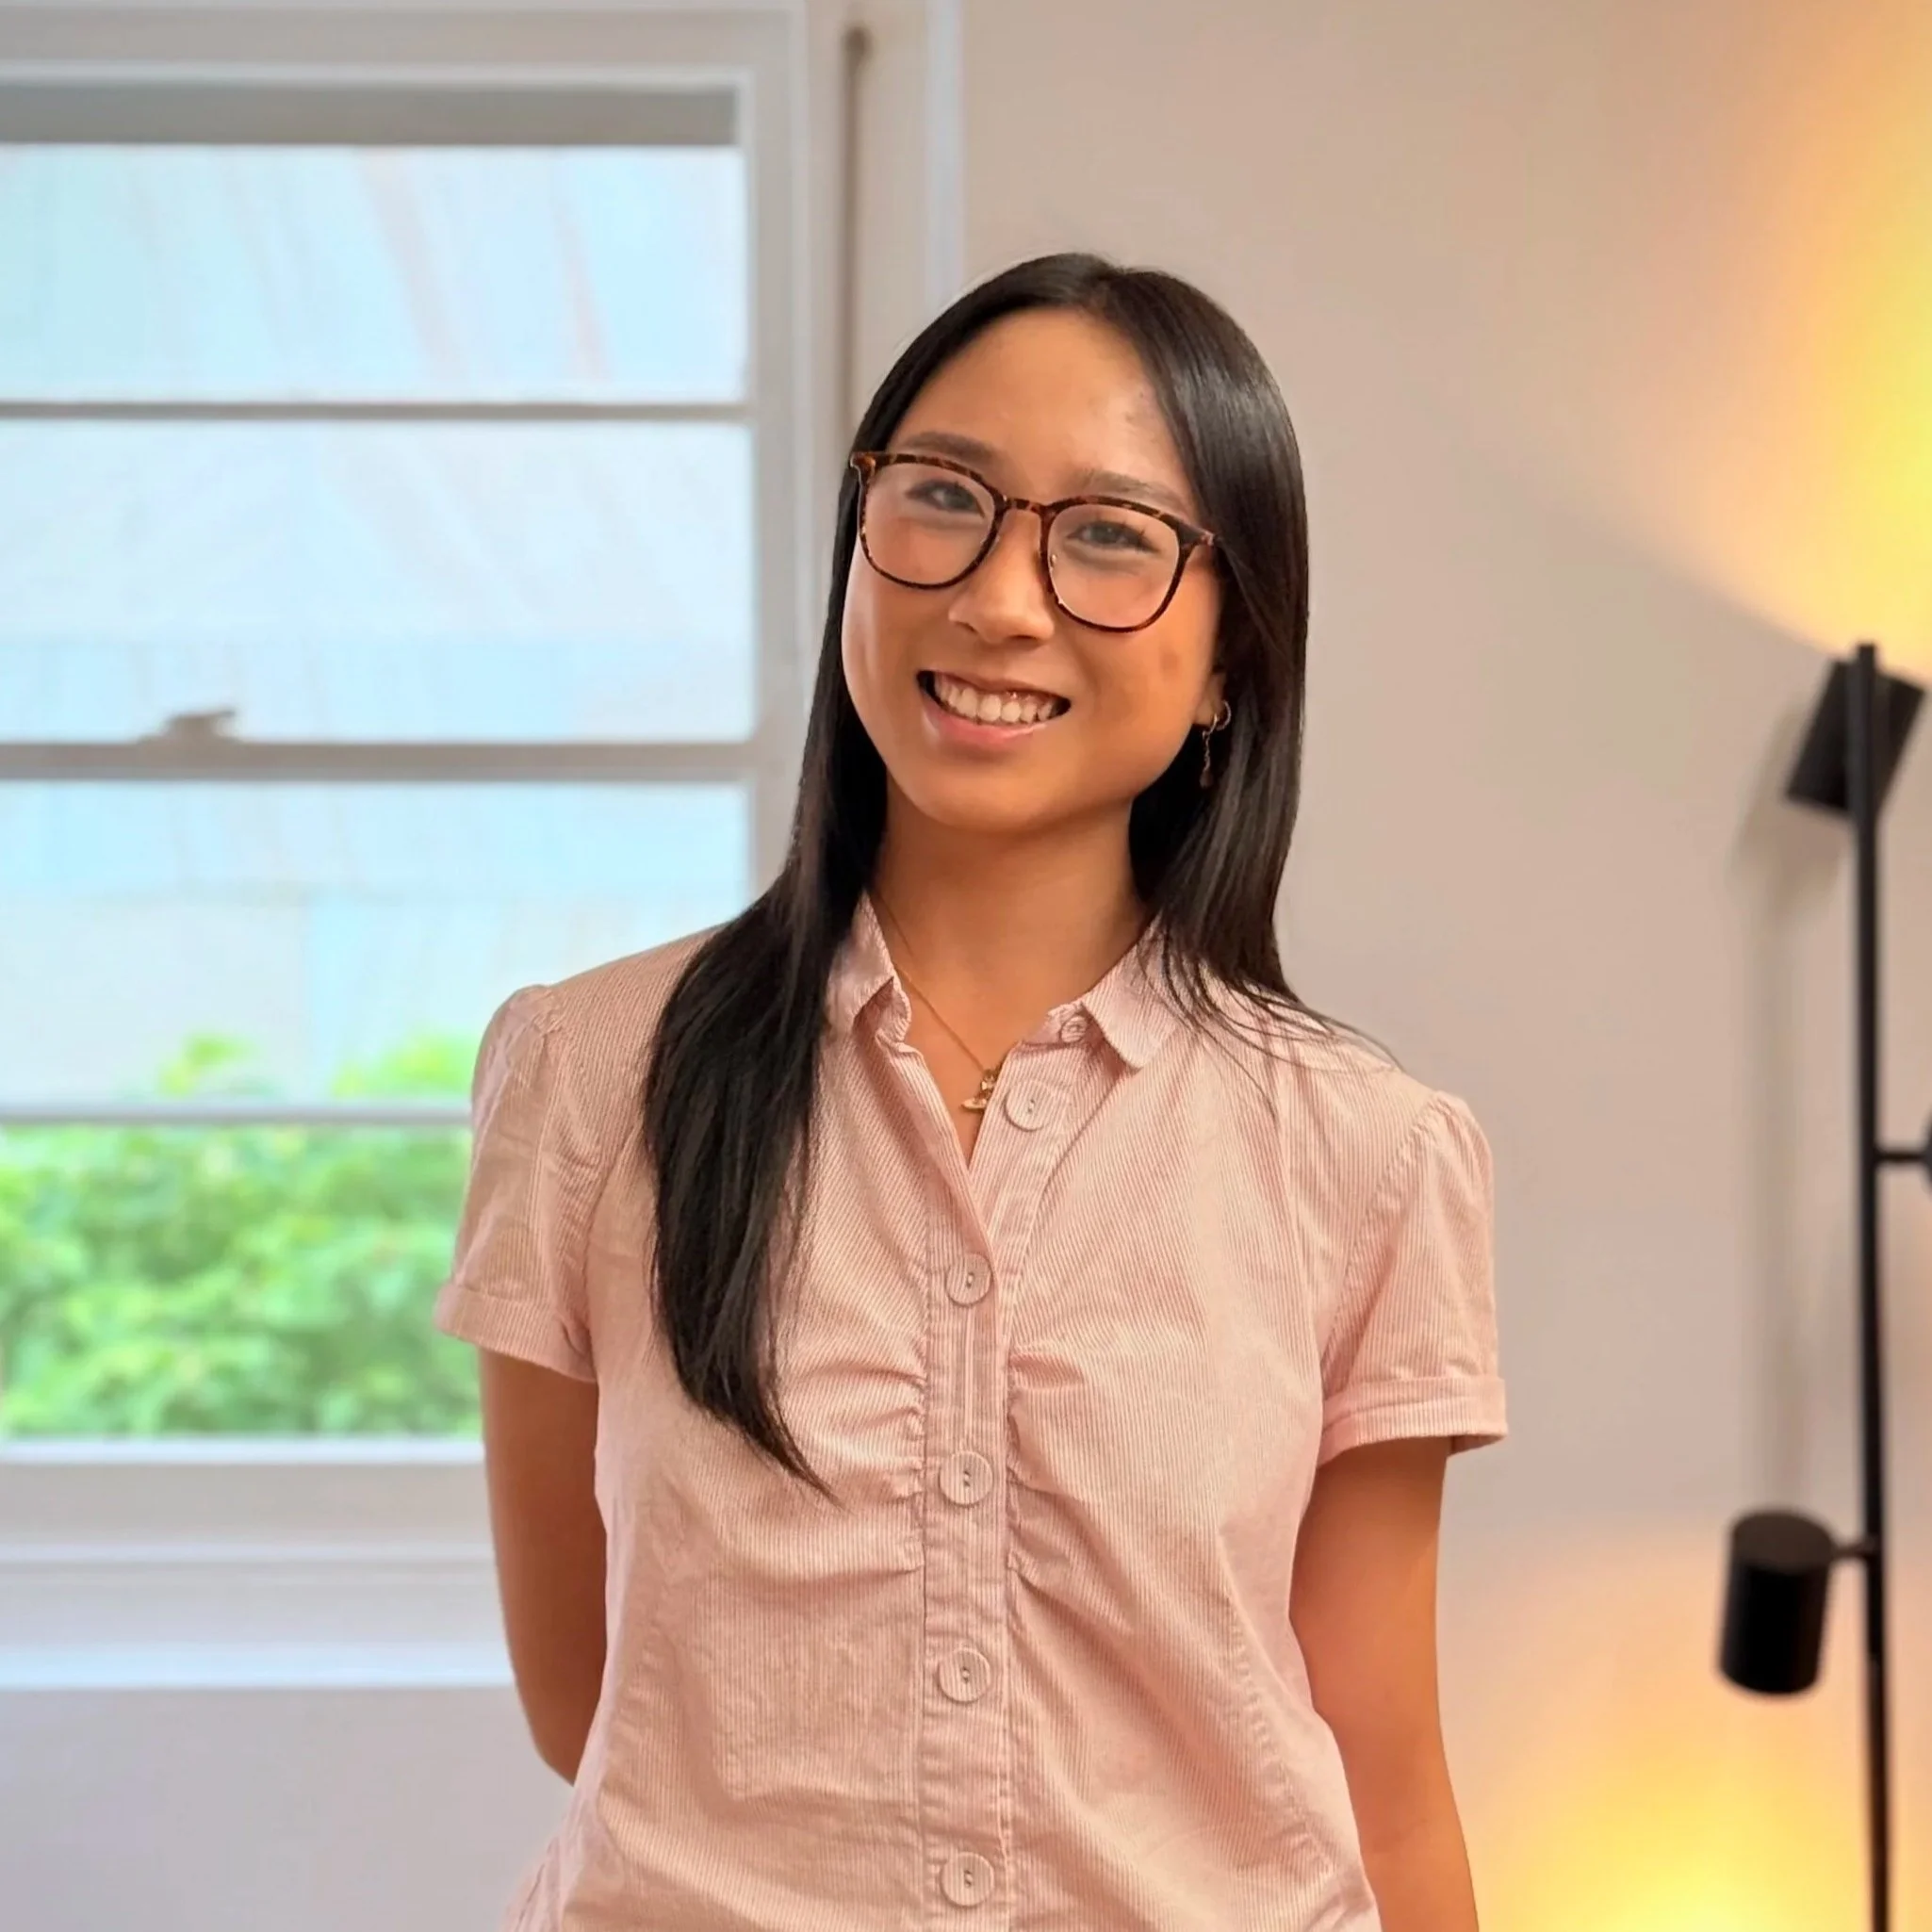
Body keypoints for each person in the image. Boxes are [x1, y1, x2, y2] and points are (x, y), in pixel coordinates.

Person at [434, 251, 1507, 1932]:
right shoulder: (590, 1074)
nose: (1001, 598)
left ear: (1234, 655)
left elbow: (1381, 1769)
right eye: (943, 499)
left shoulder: (1365, 1152)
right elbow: (590, 1700)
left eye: (1108, 536)